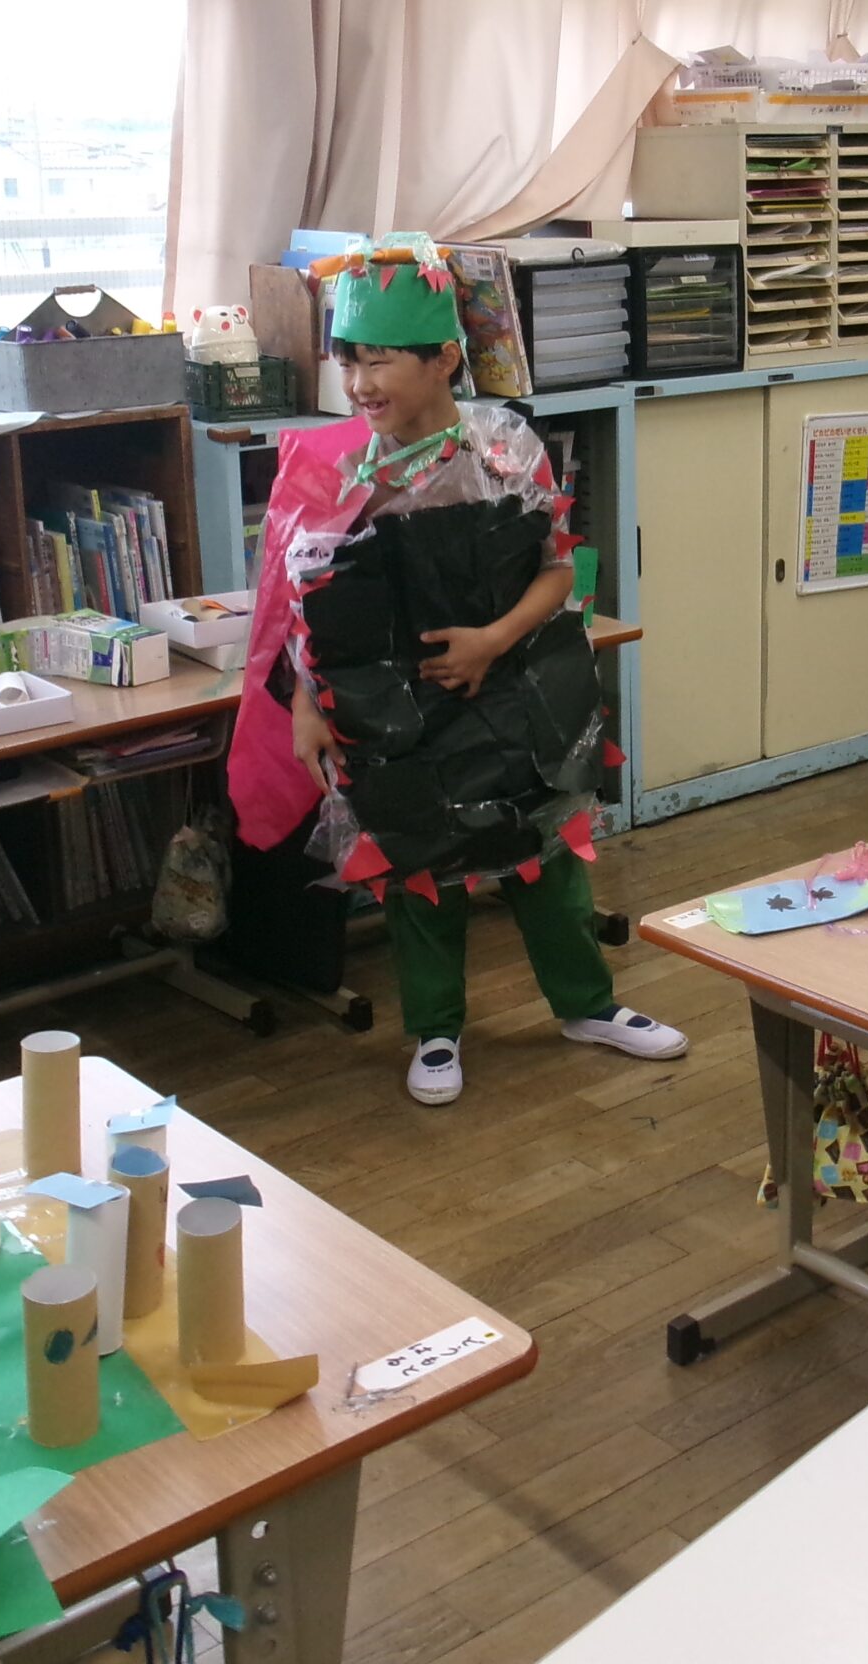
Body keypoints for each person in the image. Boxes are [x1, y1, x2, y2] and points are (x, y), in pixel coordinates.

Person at [225, 235, 683, 1105]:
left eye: (380, 360)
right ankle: (435, 1032)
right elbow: (301, 612)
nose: (359, 383)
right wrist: (309, 705)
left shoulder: (504, 450)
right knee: (417, 870)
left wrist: (492, 639)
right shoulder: (332, 472)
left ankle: (588, 1005)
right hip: (388, 709)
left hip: (511, 686)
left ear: (443, 358)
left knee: (544, 854)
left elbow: (559, 572)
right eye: (348, 361)